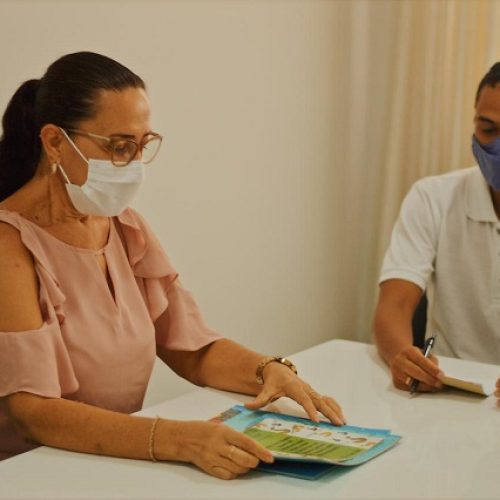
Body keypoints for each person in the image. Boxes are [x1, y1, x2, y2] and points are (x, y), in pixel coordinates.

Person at [0, 52, 345, 479]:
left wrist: (268, 370)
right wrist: (180, 440)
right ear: (54, 142)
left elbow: (190, 348)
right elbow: (32, 414)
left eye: (143, 146)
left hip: (111, 468)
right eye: (119, 147)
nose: (134, 166)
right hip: (31, 477)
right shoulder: (8, 246)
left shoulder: (124, 227)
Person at [373, 62, 500, 399]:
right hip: (450, 392)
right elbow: (394, 306)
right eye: (488, 129)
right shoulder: (433, 197)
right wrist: (402, 355)